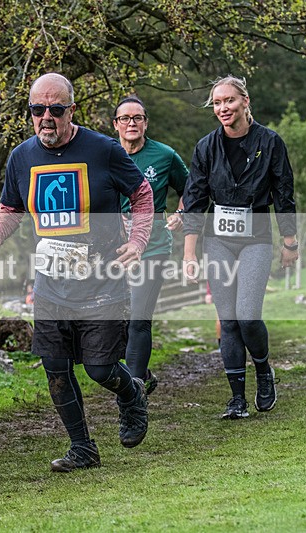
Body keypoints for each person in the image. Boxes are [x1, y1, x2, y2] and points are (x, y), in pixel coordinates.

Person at [0, 73, 155, 472]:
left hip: (102, 282)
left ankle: (132, 393)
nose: (46, 117)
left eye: (55, 109)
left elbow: (141, 193)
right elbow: (11, 208)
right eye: (37, 109)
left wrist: (138, 240)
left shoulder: (103, 149)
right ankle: (82, 448)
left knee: (99, 369)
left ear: (70, 111)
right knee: (55, 368)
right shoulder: (21, 157)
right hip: (51, 283)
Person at [182, 75, 298, 420]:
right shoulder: (205, 147)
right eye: (216, 103)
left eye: (229, 101)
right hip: (217, 240)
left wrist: (290, 242)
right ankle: (236, 399)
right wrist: (189, 254)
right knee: (228, 319)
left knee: (247, 315)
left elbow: (284, 195)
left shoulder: (271, 142)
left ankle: (263, 371)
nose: (222, 108)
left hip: (256, 238)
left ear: (245, 101)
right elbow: (194, 200)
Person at [113, 96, 188, 394]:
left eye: (138, 118)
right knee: (112, 323)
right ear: (115, 124)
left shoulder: (165, 155)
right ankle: (142, 371)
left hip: (153, 246)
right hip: (113, 248)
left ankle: (134, 395)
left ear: (146, 122)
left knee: (139, 319)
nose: (132, 123)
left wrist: (183, 212)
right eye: (125, 119)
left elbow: (191, 188)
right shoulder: (104, 154)